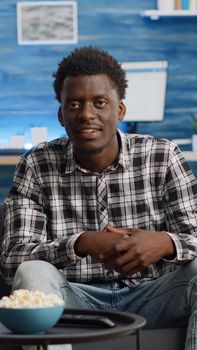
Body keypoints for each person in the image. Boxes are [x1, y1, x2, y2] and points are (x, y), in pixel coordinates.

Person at [1, 46, 197, 350]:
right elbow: (12, 260)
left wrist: (165, 243)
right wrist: (81, 243)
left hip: (153, 296)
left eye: (100, 102)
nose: (87, 114)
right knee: (33, 271)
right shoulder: (36, 164)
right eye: (74, 104)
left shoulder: (163, 156)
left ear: (119, 110)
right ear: (61, 115)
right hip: (74, 301)